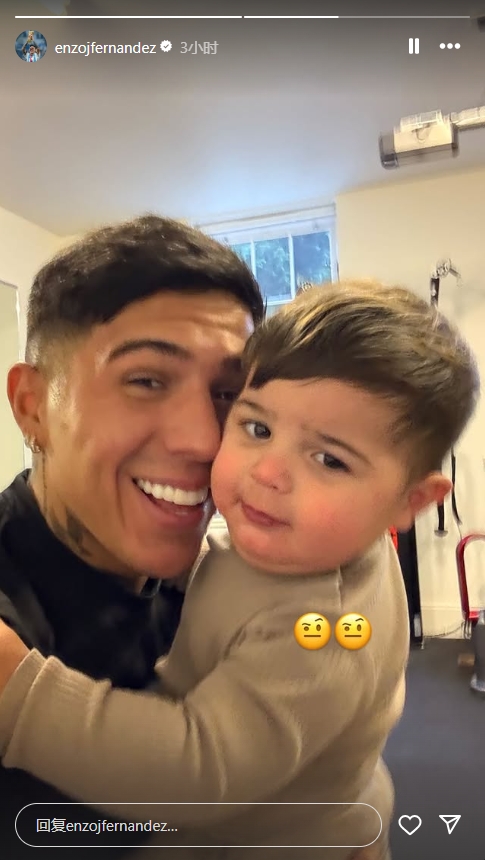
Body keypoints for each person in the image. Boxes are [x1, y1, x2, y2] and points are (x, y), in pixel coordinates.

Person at [0, 282, 479, 860]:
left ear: (413, 501)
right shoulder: (305, 544)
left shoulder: (321, 627)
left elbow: (198, 773)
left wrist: (20, 694)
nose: (267, 472)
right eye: (257, 428)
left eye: (329, 459)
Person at [0, 214, 264, 859]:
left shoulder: (232, 591)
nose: (204, 440)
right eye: (146, 381)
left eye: (228, 393)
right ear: (33, 406)